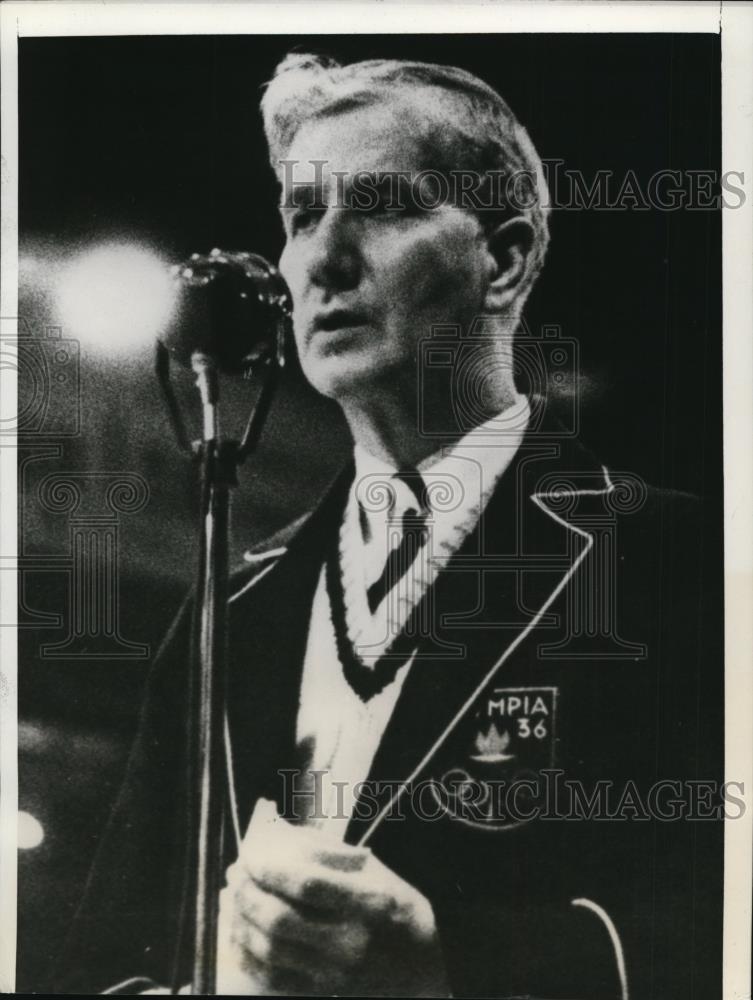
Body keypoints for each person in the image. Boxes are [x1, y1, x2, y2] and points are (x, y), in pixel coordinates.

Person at [58, 53, 723, 998]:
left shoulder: (678, 563)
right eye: (300, 216)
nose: (321, 260)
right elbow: (99, 959)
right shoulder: (229, 609)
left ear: (505, 259)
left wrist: (448, 958)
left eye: (377, 206)